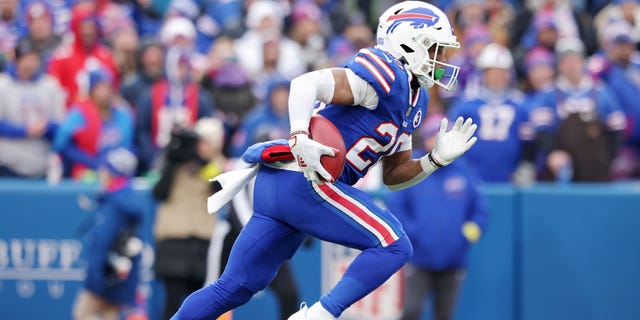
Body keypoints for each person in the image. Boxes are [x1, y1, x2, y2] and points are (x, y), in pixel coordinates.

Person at [171, 2, 477, 320]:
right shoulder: (386, 73)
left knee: (233, 287)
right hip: (308, 178)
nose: (441, 61)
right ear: (408, 42)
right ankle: (318, 316)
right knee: (394, 243)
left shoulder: (415, 99)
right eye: (435, 50)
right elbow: (306, 84)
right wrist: (300, 137)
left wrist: (434, 160)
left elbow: (394, 173)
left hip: (282, 184)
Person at [386, 113, 489, 320]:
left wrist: (467, 234)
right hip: (419, 258)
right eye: (433, 135)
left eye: (442, 135)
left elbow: (480, 210)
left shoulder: (464, 171)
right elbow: (396, 206)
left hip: (453, 260)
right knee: (411, 310)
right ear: (424, 137)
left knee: (444, 314)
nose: (437, 140)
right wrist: (415, 235)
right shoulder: (412, 166)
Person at [152, 120, 224, 320]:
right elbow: (159, 192)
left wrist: (204, 161)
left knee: (199, 304)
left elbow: (220, 191)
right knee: (172, 302)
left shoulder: (214, 164)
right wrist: (172, 159)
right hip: (173, 240)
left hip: (200, 242)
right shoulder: (173, 163)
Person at [530, 38, 627, 181]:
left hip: (597, 168)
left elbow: (616, 129)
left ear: (583, 62)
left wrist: (608, 157)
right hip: (561, 170)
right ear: (559, 65)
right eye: (566, 62)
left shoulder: (602, 91)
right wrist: (552, 153)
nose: (571, 66)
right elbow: (542, 131)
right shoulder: (547, 94)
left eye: (575, 61)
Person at [72, 147, 144, 320]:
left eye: (104, 169)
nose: (101, 172)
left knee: (82, 314)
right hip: (119, 279)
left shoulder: (113, 205)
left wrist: (94, 281)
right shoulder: (128, 198)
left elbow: (101, 243)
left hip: (105, 279)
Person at [448, 43, 534, 183]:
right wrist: (462, 169)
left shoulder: (520, 104)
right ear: (483, 74)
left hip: (510, 176)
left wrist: (525, 166)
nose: (497, 76)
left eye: (501, 72)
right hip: (472, 174)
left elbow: (528, 142)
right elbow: (453, 141)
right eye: (492, 72)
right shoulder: (466, 104)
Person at [52, 67, 134, 180]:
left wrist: (116, 165)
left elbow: (128, 146)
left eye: (108, 87)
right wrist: (96, 164)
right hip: (86, 171)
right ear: (91, 91)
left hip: (116, 172)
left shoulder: (121, 114)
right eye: (100, 88)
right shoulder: (79, 114)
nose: (105, 92)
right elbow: (63, 145)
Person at [0, 41, 64, 178]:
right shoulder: (3, 85)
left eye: (33, 59)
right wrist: (25, 130)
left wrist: (46, 128)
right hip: (8, 164)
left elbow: (59, 126)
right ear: (16, 61)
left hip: (40, 163)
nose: (30, 64)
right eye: (25, 59)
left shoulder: (50, 86)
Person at [47, 3, 119, 108]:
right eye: (83, 27)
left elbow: (114, 88)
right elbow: (54, 92)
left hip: (102, 116)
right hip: (71, 114)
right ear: (75, 29)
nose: (87, 32)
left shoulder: (106, 56)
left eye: (91, 27)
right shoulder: (61, 57)